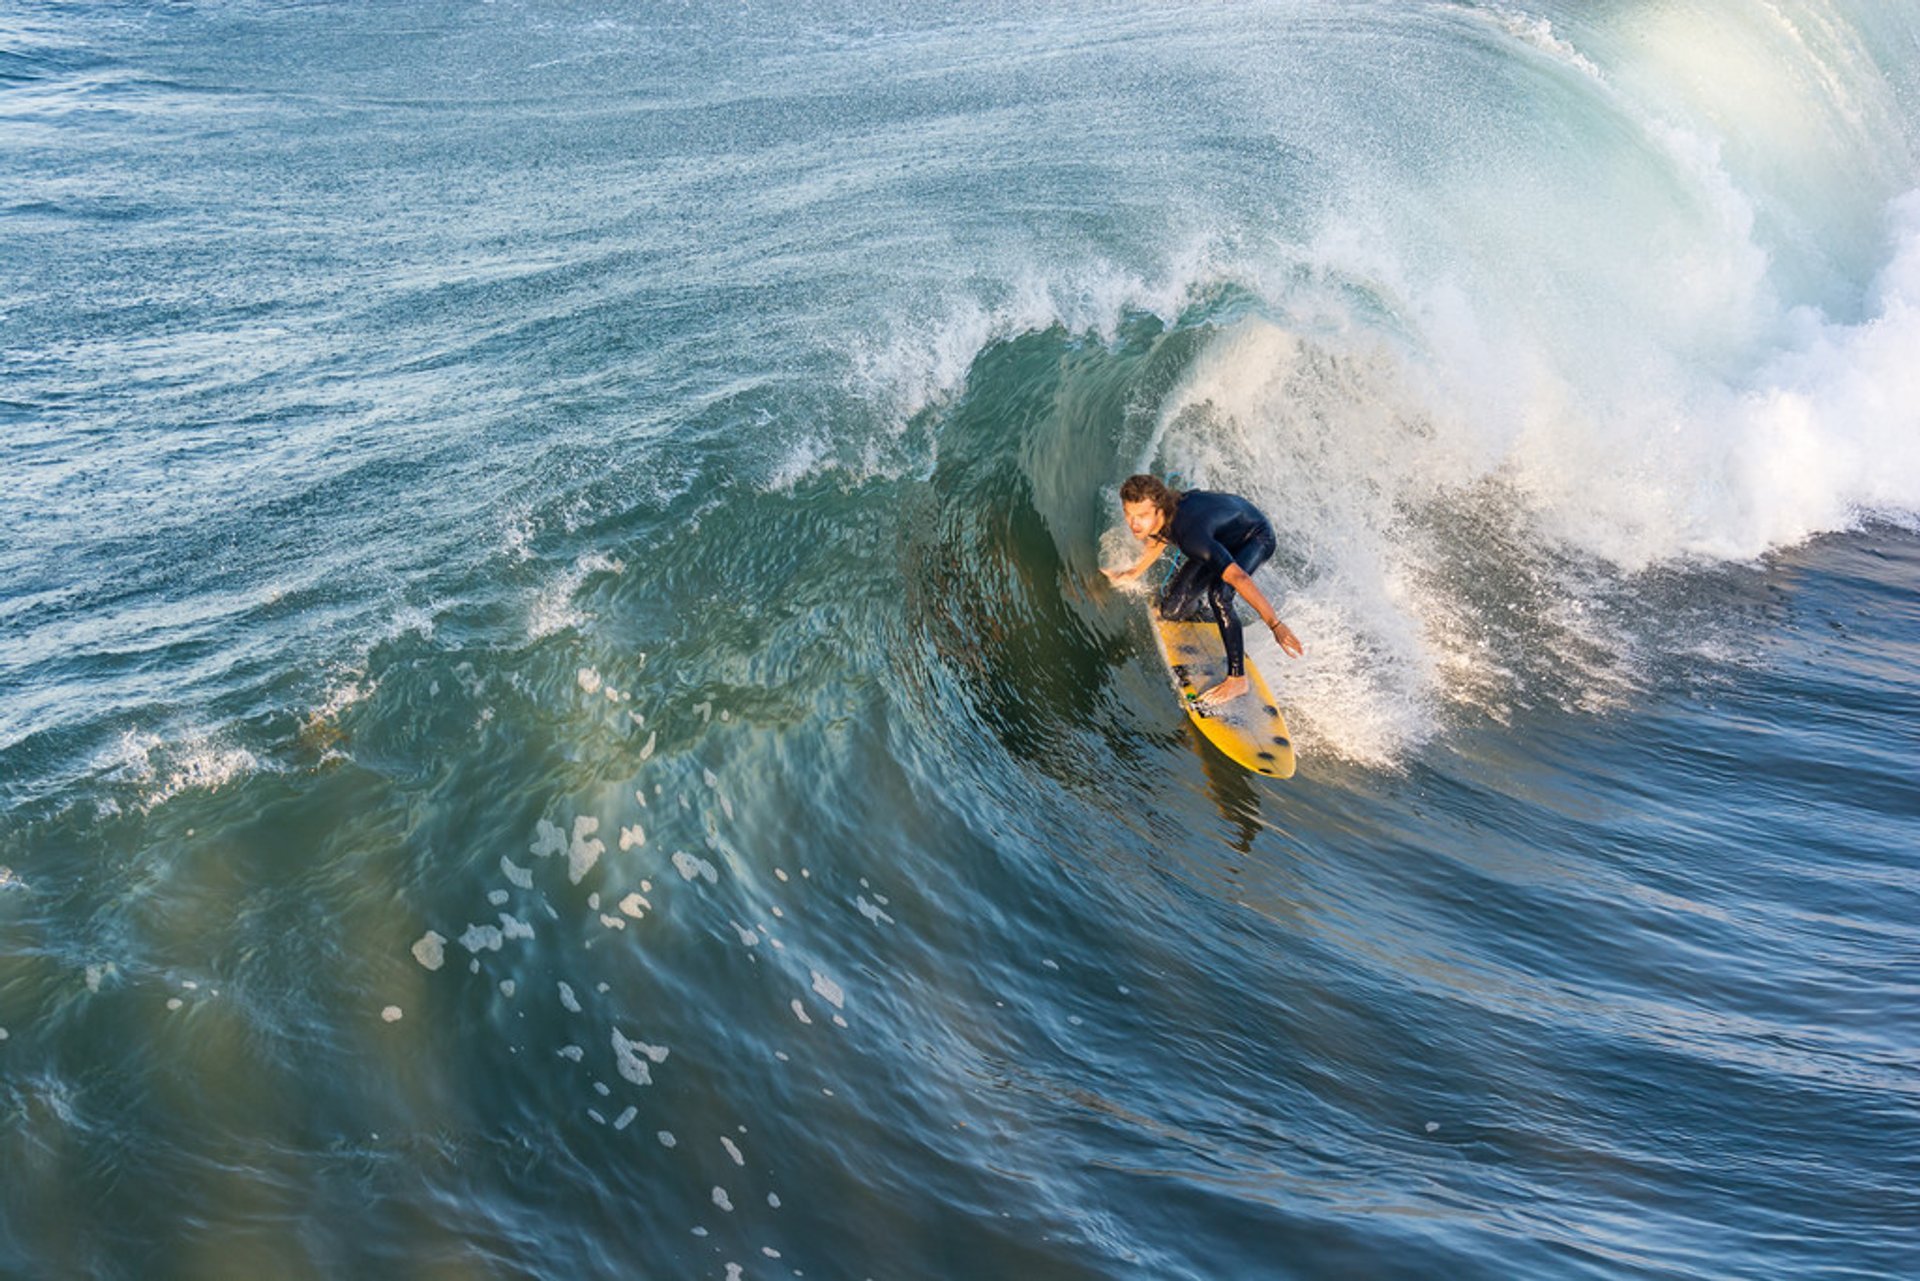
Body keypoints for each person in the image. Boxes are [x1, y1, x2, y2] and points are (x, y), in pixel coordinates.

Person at [1104, 474, 1303, 706]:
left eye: (1142, 516)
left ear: (1159, 510)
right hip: (1218, 536)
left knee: (1220, 594)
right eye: (1129, 514)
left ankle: (1238, 679)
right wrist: (1132, 573)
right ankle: (1204, 611)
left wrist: (1275, 625)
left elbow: (1239, 577)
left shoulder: (1191, 536)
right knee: (1172, 610)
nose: (1134, 523)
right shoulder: (1165, 516)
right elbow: (1158, 537)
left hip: (1254, 536)